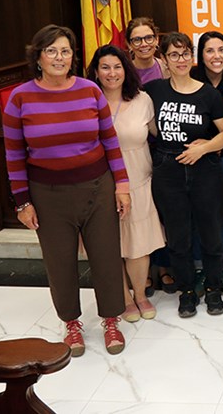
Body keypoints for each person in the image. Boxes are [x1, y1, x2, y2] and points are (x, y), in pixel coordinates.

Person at [3, 25, 129, 356]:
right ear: (38, 57)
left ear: (73, 56)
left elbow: (110, 141)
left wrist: (122, 185)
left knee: (106, 256)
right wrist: (22, 203)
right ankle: (71, 323)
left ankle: (111, 319)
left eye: (66, 51)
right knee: (59, 262)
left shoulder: (91, 91)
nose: (59, 58)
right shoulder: (20, 98)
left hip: (97, 188)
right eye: (52, 51)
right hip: (47, 195)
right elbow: (14, 155)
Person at [147, 32, 223, 318]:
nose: (181, 60)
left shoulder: (209, 94)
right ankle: (186, 291)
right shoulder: (153, 91)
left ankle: (213, 288)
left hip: (205, 170)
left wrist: (204, 148)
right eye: (174, 55)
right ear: (164, 59)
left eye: (185, 53)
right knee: (178, 237)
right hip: (168, 171)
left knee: (211, 233)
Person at [87, 45, 166, 323]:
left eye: (117, 67)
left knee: (139, 244)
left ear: (126, 69)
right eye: (105, 67)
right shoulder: (86, 101)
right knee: (109, 244)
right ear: (96, 72)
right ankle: (123, 297)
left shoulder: (143, 100)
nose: (112, 73)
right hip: (99, 183)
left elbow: (161, 134)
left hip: (139, 181)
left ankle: (140, 294)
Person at [190, 31, 223, 300]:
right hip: (197, 157)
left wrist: (215, 145)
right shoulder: (192, 79)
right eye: (210, 51)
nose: (216, 56)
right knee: (199, 214)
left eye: (221, 50)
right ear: (201, 55)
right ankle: (200, 268)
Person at [125, 16, 174, 296]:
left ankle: (164, 267)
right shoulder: (123, 70)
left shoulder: (165, 66)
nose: (143, 44)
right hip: (136, 149)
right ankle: (142, 273)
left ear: (156, 40)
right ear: (129, 44)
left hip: (163, 146)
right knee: (141, 212)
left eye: (148, 38)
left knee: (163, 210)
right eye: (137, 39)